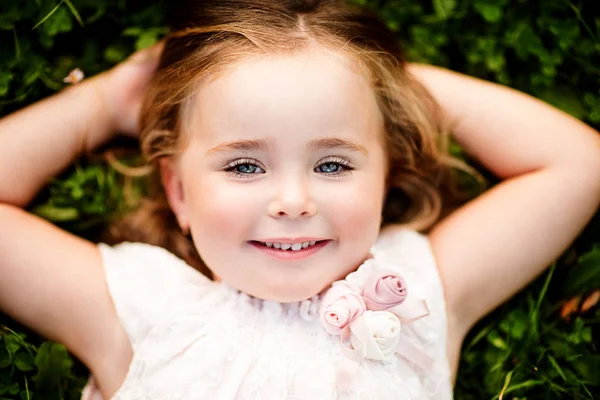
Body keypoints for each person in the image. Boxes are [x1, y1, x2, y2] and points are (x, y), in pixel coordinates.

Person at [1, 0, 599, 399]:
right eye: (244, 164)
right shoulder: (135, 310)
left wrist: (396, 86)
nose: (292, 200)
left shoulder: (417, 291)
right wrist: (102, 106)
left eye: (333, 163)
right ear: (178, 190)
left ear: (386, 179)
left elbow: (579, 165)